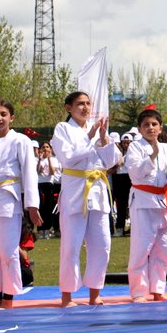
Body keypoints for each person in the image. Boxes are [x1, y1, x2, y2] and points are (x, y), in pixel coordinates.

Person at [0, 100, 42, 309]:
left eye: (3, 114)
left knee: (8, 252)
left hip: (8, 201)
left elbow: (29, 173)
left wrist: (32, 205)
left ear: (11, 117)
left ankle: (9, 297)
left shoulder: (21, 141)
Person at [50, 91, 117, 307]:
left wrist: (104, 139)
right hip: (75, 191)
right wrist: (89, 138)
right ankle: (67, 296)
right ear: (69, 107)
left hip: (97, 191)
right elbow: (67, 157)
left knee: (102, 244)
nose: (85, 108)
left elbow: (110, 163)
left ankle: (94, 293)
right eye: (80, 104)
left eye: (88, 103)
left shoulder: (97, 129)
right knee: (71, 246)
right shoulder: (63, 129)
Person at [125, 108, 167, 302]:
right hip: (143, 201)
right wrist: (153, 155)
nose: (150, 128)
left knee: (163, 248)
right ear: (140, 129)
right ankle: (139, 292)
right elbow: (135, 173)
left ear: (160, 127)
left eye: (154, 124)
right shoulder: (135, 147)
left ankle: (158, 290)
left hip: (164, 202)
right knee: (141, 248)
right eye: (146, 125)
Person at [36, 140, 61, 237]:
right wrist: (39, 160)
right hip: (40, 183)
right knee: (40, 207)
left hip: (49, 184)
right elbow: (37, 171)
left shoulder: (54, 159)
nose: (45, 149)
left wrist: (49, 159)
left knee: (48, 207)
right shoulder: (38, 159)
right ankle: (40, 229)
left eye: (47, 147)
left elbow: (52, 172)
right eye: (43, 147)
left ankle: (47, 228)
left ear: (50, 149)